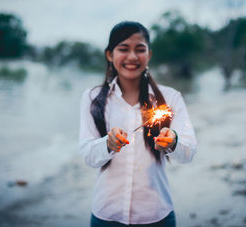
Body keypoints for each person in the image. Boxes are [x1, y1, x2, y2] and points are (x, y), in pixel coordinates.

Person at [79, 21, 197, 227]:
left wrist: (173, 142)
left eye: (140, 49)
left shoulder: (171, 97)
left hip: (156, 215)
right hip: (107, 215)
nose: (132, 57)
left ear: (149, 55)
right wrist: (108, 143)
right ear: (109, 54)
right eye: (123, 49)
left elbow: (189, 152)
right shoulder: (92, 98)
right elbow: (88, 155)